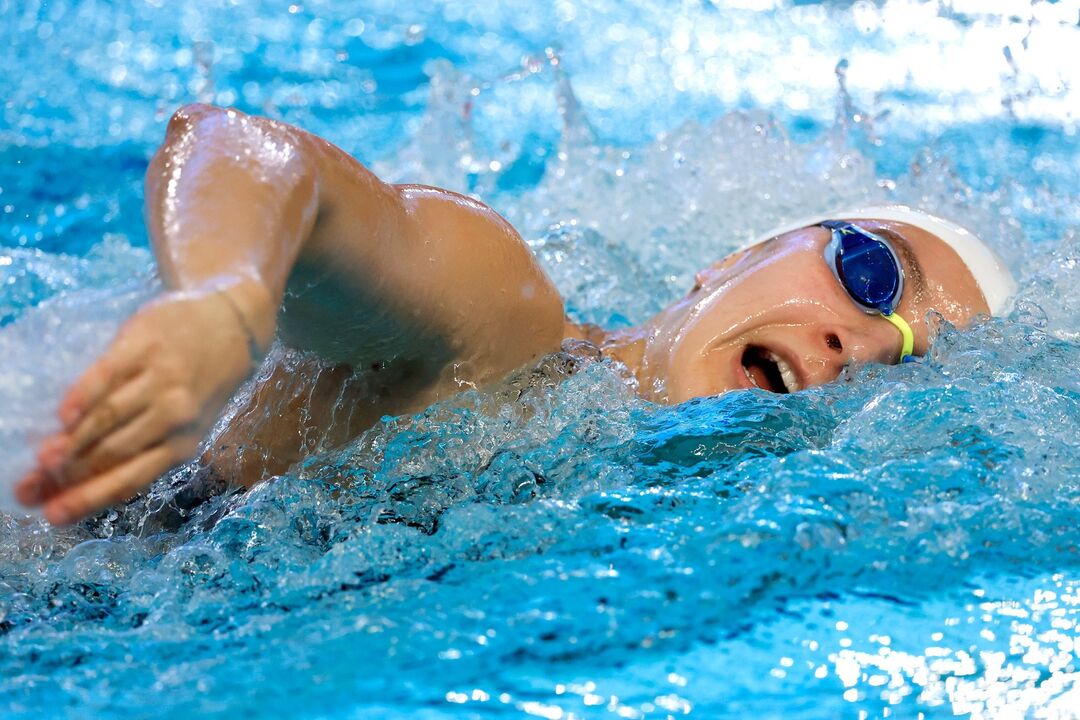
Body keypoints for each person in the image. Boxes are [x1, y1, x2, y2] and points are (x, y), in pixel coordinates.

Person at [13, 104, 1015, 526]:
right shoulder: (504, 326)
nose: (864, 343)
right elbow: (242, 147)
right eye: (871, 274)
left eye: (912, 362)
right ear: (734, 259)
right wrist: (223, 303)